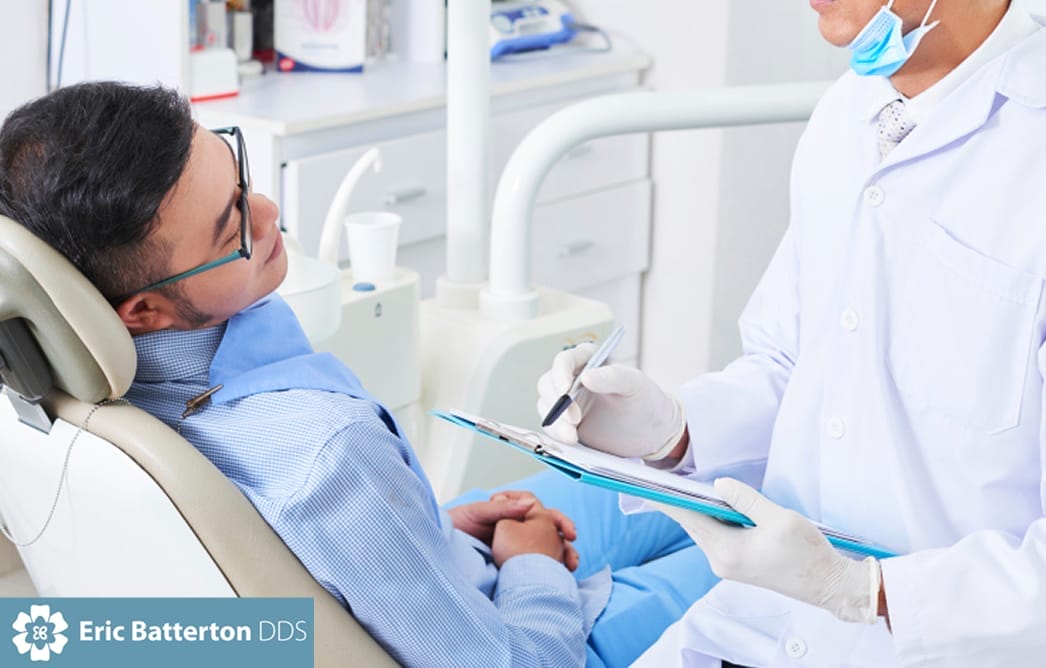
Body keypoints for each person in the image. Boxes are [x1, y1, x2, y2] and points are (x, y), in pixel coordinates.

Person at [0, 82, 716, 668]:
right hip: (548, 645)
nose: (268, 211)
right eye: (232, 229)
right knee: (770, 541)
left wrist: (424, 530)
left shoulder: (59, 400)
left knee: (701, 487)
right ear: (145, 311)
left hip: (449, 569)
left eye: (239, 174)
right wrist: (537, 570)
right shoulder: (327, 452)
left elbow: (299, 564)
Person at [537, 0, 1046, 665]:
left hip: (939, 646)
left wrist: (864, 591)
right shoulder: (848, 114)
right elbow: (790, 365)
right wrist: (670, 430)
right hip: (762, 622)